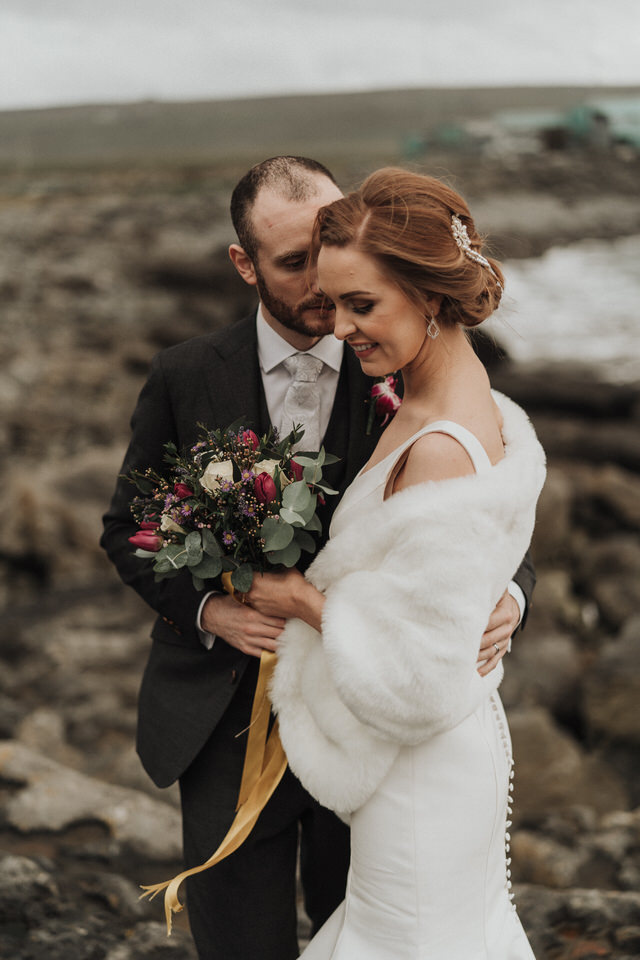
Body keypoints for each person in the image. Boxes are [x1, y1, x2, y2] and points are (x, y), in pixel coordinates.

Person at [100, 157, 535, 960]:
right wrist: (208, 607)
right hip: (223, 721)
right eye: (295, 263)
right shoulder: (187, 375)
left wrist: (510, 589)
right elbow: (131, 525)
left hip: (371, 726)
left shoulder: (406, 364)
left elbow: (482, 497)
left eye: (334, 254)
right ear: (245, 264)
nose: (325, 295)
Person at [243, 168, 546, 958]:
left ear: (432, 297)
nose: (339, 326)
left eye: (362, 304)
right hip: (436, 756)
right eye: (334, 302)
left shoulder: (439, 446)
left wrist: (300, 599)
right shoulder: (452, 396)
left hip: (420, 769)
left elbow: (415, 681)